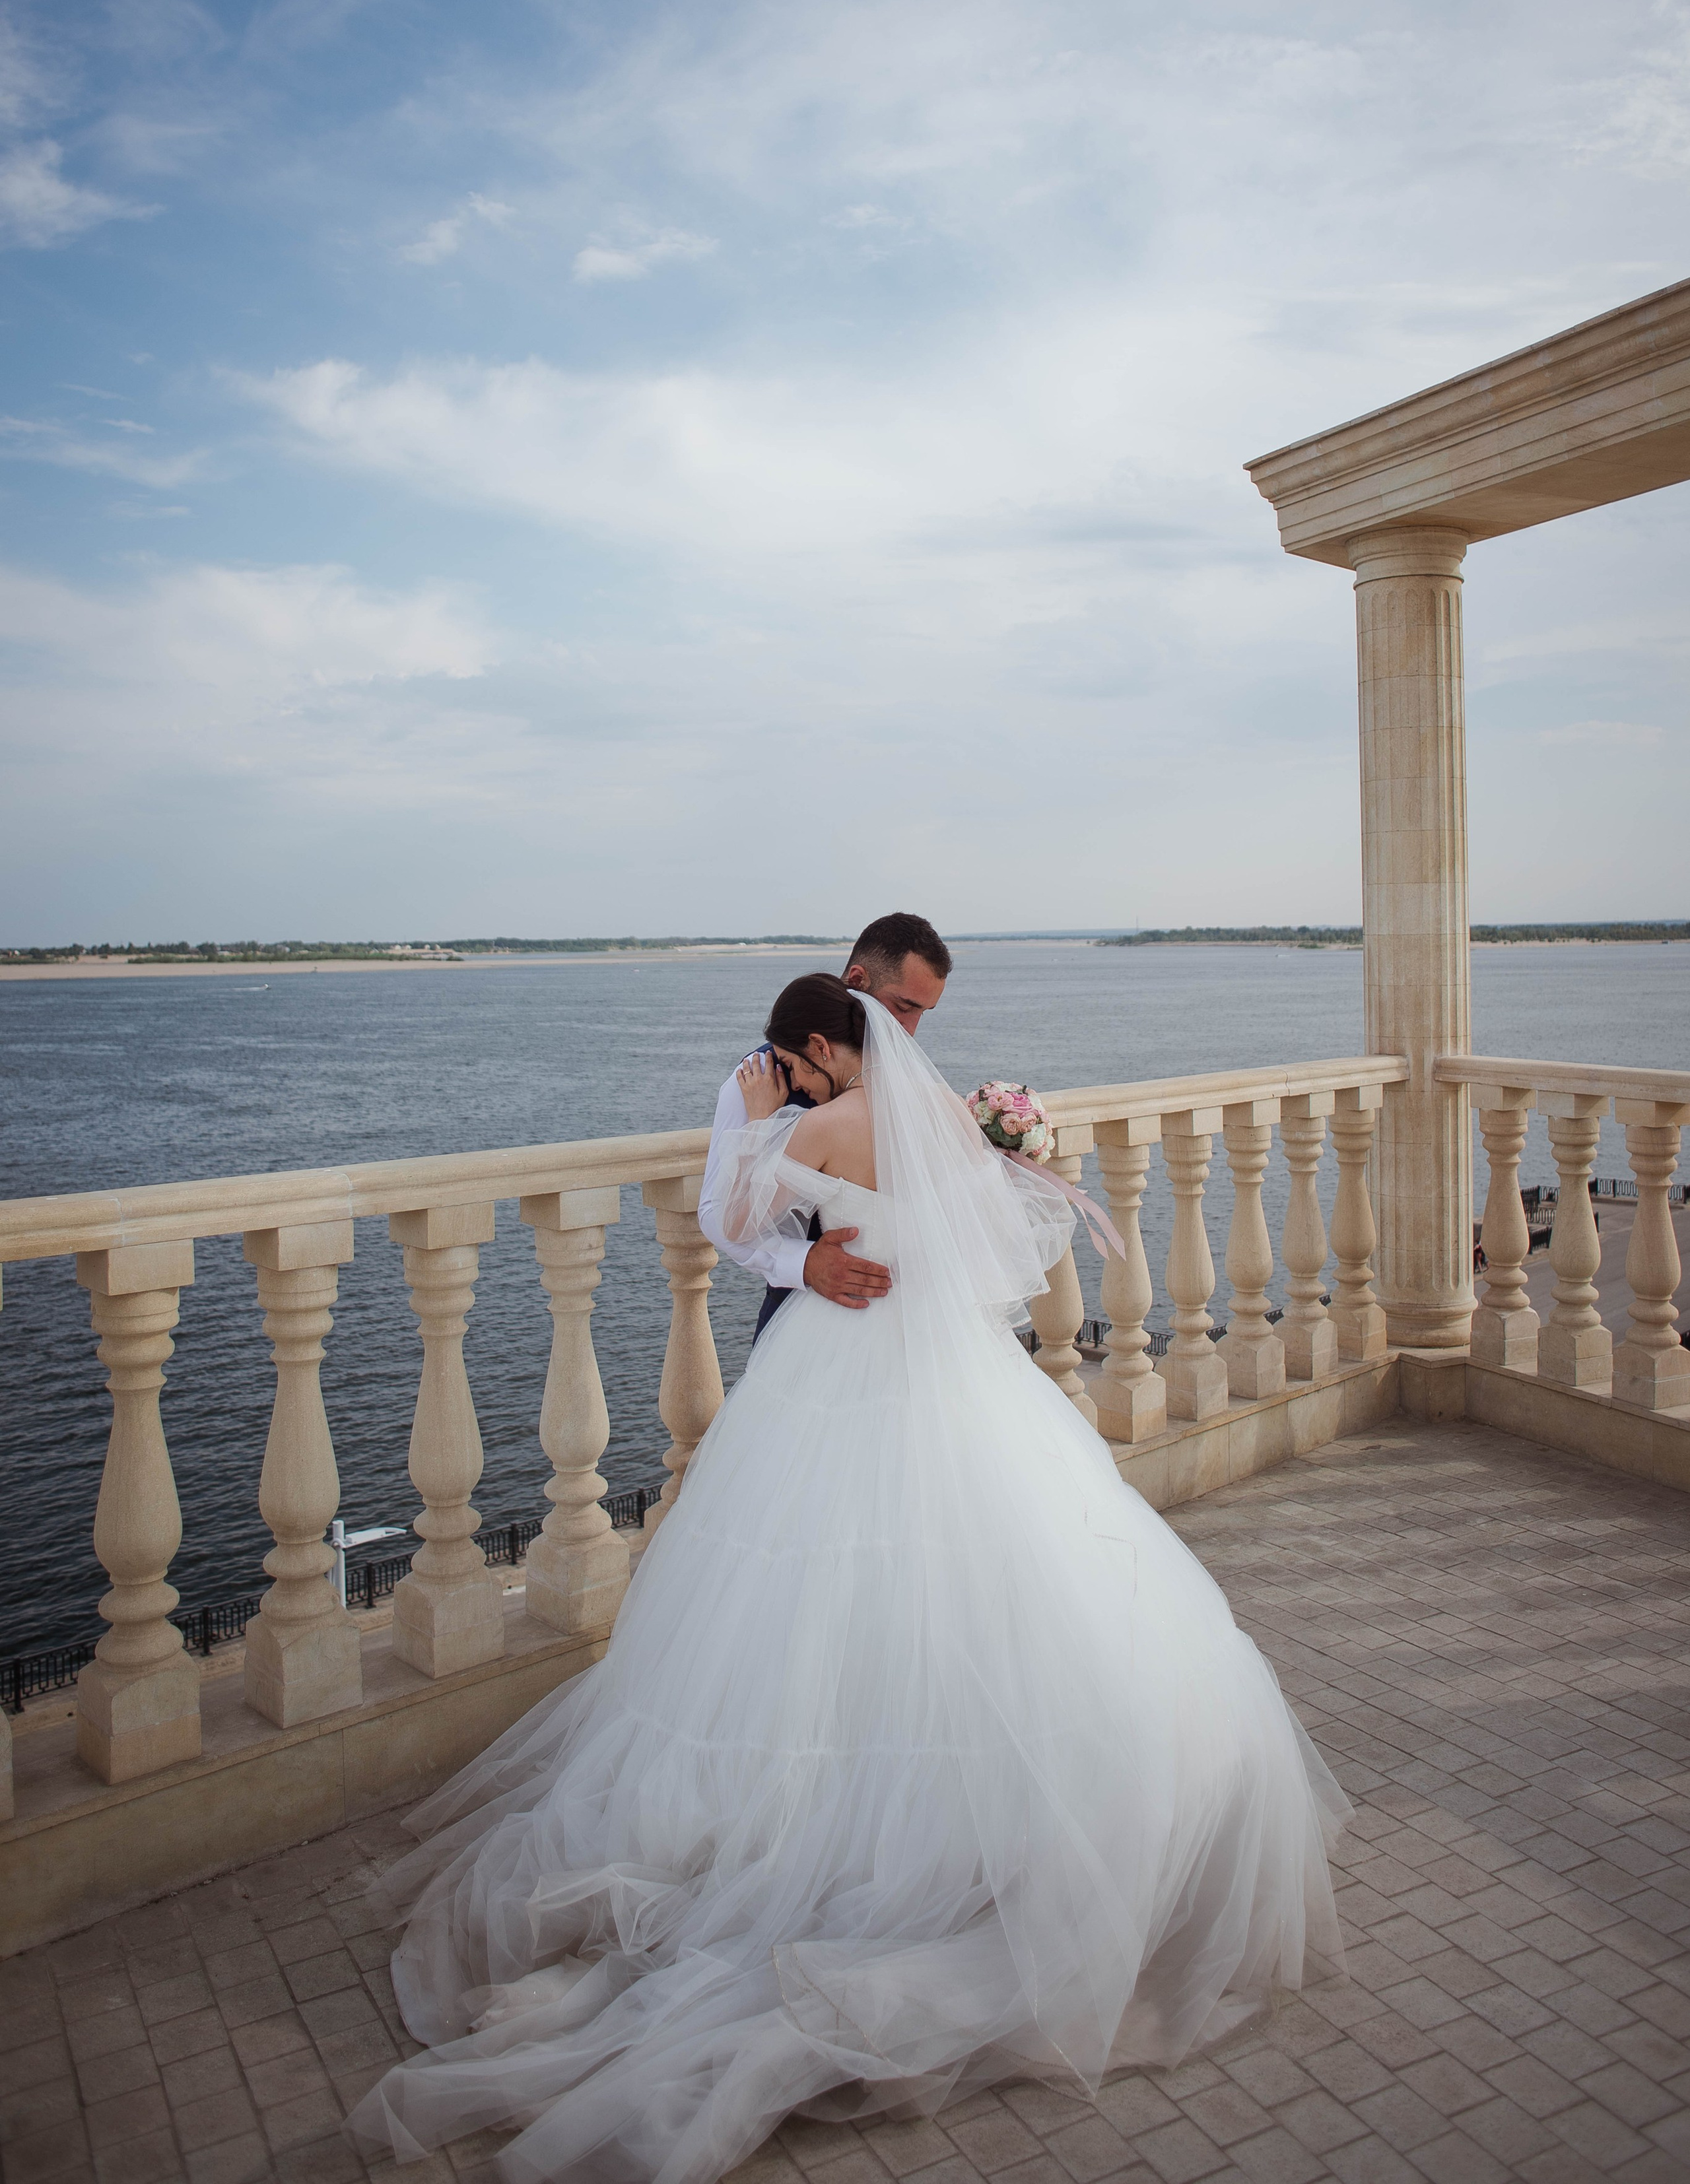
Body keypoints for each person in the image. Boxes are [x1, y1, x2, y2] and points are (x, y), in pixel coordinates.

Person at [349, 977, 1349, 2184]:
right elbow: (988, 1251)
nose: (788, 1071)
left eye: (794, 1058)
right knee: (969, 1577)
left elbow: (732, 1209)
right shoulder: (932, 1123)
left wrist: (768, 1120)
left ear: (819, 1046)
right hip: (945, 1368)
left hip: (832, 1366)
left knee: (806, 1594)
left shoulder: (809, 1122)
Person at [696, 911, 951, 1336]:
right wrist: (803, 1261)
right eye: (904, 1007)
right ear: (858, 978)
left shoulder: (911, 1082)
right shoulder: (759, 1080)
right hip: (804, 1320)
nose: (910, 1030)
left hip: (915, 1319)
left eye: (924, 1012)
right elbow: (715, 1213)